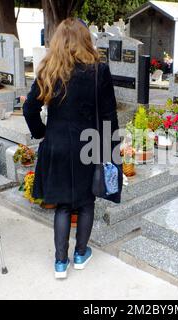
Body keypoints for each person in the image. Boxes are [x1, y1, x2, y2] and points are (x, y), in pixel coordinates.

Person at [23, 18, 121, 279]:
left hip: (56, 144)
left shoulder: (48, 69)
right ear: (85, 39)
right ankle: (80, 254)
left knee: (63, 206)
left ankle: (59, 263)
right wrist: (111, 149)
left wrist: (41, 133)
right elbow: (109, 116)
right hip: (88, 145)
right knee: (86, 202)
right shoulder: (98, 71)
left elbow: (29, 108)